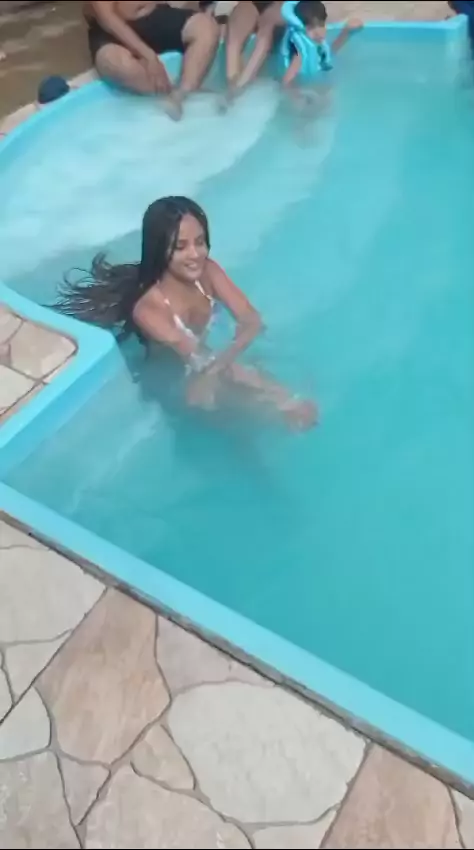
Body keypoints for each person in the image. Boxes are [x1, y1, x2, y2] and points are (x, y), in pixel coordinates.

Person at [55, 197, 317, 431]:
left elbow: (251, 320)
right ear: (160, 250)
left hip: (208, 364)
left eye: (200, 242)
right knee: (225, 412)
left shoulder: (208, 272)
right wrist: (284, 400)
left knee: (246, 380)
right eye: (180, 247)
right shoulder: (149, 309)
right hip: (173, 380)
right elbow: (198, 357)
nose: (195, 254)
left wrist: (276, 393)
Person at [84, 1, 220, 118]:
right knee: (116, 63)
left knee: (206, 27)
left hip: (155, 16)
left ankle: (184, 94)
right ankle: (163, 98)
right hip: (114, 30)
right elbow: (107, 18)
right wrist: (149, 56)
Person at [281, 1, 363, 88]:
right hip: (307, 87)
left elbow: (329, 53)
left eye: (321, 25)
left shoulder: (318, 44)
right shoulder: (299, 55)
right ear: (301, 29)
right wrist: (301, 95)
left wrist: (346, 32)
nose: (318, 32)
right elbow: (286, 82)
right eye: (310, 28)